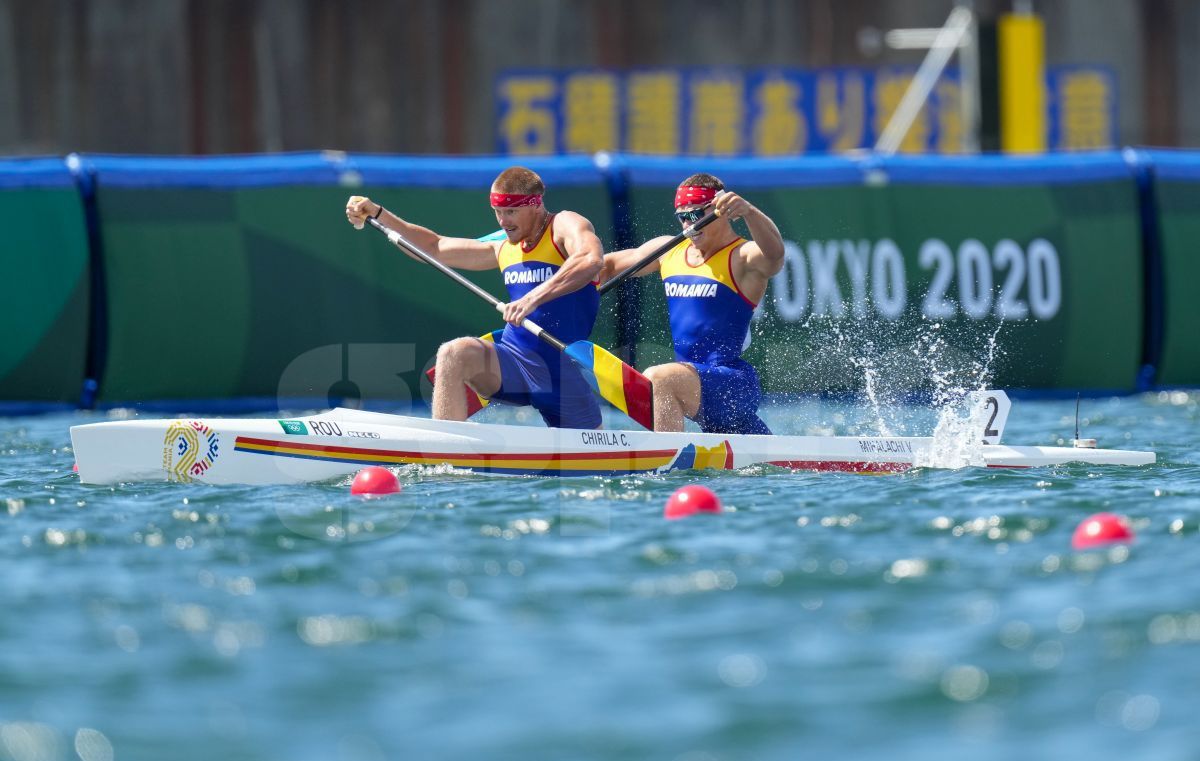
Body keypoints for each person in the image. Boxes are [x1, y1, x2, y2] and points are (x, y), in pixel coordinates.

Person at [345, 166, 605, 429]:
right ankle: (444, 452)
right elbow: (433, 247)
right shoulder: (503, 245)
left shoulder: (563, 224)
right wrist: (378, 213)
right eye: (498, 212)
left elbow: (590, 258)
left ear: (535, 205)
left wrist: (532, 298)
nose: (503, 221)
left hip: (562, 372)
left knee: (600, 461)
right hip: (514, 361)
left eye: (511, 211)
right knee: (454, 353)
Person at [599, 173, 784, 434]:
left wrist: (750, 212)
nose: (688, 224)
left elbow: (775, 256)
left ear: (720, 210)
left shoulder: (742, 257)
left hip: (732, 385)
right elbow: (606, 267)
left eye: (696, 215)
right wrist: (556, 285)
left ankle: (665, 469)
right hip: (695, 385)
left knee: (659, 378)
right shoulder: (669, 251)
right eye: (682, 216)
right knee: (767, 465)